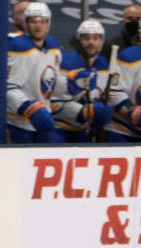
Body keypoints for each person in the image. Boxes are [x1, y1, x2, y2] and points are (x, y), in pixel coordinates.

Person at [6, 2, 61, 143]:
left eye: (42, 21)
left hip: (44, 119)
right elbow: (8, 87)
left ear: (48, 24)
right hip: (17, 123)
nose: (38, 25)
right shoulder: (18, 45)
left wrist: (73, 82)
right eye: (33, 21)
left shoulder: (53, 47)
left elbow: (51, 81)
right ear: (25, 23)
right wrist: (28, 107)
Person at [51, 20, 112, 143]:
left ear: (102, 41)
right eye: (86, 38)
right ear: (79, 40)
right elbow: (54, 102)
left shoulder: (103, 63)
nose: (91, 42)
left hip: (85, 131)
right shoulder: (65, 62)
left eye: (95, 38)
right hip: (60, 129)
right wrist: (82, 112)